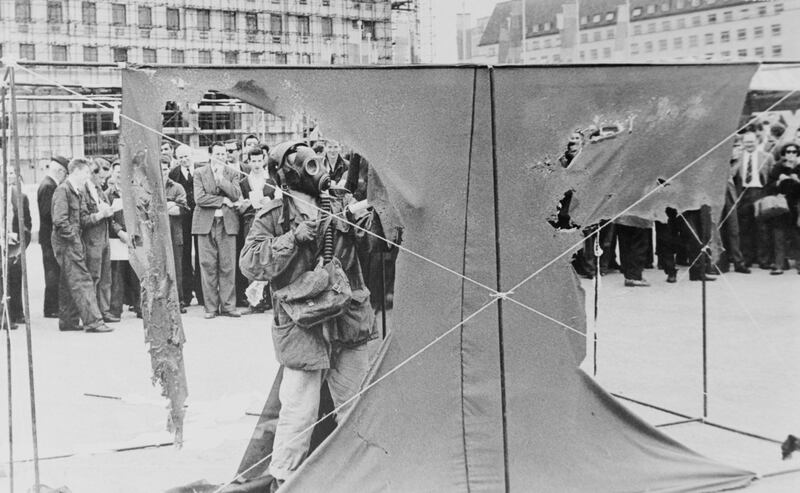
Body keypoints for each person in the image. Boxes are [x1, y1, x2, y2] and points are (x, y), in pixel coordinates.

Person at [240, 141, 379, 488]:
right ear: (284, 176)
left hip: (346, 321)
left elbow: (375, 250)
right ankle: (284, 482)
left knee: (356, 408)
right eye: (300, 163)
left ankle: (363, 481)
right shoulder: (273, 216)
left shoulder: (341, 203)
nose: (310, 168)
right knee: (298, 415)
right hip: (303, 328)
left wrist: (365, 229)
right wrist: (291, 239)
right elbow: (251, 263)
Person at [51, 157, 111, 332]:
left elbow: (83, 219)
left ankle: (67, 321)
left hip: (72, 242)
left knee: (69, 280)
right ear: (76, 171)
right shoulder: (63, 190)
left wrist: (99, 215)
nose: (88, 176)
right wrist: (75, 239)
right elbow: (60, 221)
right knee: (82, 280)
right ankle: (94, 322)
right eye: (86, 172)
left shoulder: (77, 191)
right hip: (67, 243)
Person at [192, 142, 242, 319]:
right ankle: (211, 307)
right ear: (211, 155)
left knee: (228, 266)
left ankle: (229, 306)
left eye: (224, 154)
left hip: (227, 224)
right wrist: (222, 201)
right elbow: (199, 198)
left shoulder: (232, 173)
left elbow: (236, 194)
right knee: (208, 266)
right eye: (218, 154)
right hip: (205, 224)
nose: (221, 157)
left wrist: (221, 181)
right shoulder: (199, 173)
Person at [237, 147, 277, 311]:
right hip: (251, 224)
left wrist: (270, 202)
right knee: (252, 257)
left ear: (264, 160)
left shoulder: (272, 181)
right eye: (253, 161)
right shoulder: (244, 182)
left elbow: (279, 203)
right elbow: (239, 207)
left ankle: (268, 298)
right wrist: (245, 204)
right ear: (249, 162)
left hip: (268, 224)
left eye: (259, 160)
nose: (257, 164)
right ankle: (254, 301)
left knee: (268, 257)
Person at [82, 158, 117, 323]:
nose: (103, 182)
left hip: (104, 237)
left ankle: (104, 310)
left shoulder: (99, 190)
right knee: (93, 276)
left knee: (105, 277)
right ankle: (93, 314)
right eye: (101, 178)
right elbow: (83, 218)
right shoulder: (83, 190)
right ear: (92, 174)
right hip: (91, 239)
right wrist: (101, 214)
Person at [105, 160, 140, 319]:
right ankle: (115, 310)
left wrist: (134, 232)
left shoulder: (135, 192)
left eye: (123, 172)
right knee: (116, 275)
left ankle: (140, 307)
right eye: (117, 173)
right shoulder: (107, 194)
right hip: (116, 240)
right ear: (113, 174)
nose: (120, 176)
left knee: (137, 274)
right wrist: (120, 232)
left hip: (134, 238)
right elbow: (109, 219)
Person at [735, 131, 774, 269]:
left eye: (751, 142)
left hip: (760, 192)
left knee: (762, 228)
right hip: (743, 194)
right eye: (746, 142)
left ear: (756, 142)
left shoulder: (767, 157)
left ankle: (764, 260)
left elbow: (771, 176)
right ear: (743, 143)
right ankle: (747, 258)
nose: (749, 145)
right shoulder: (738, 157)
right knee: (745, 228)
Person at [169, 144, 201, 308]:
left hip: (201, 217)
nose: (184, 160)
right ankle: (186, 294)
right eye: (180, 157)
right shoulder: (173, 174)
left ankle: (202, 295)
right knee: (185, 256)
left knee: (202, 254)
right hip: (183, 220)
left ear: (192, 155)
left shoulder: (202, 170)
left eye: (186, 156)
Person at [37, 155, 69, 317]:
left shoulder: (48, 184)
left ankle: (52, 307)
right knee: (52, 272)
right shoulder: (49, 186)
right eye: (65, 173)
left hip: (48, 236)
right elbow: (46, 212)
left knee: (53, 271)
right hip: (49, 236)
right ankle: (51, 308)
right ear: (60, 171)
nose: (65, 177)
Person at [764, 142, 800, 275]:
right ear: (784, 154)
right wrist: (778, 182)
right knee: (778, 235)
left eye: (794, 151)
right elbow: (768, 186)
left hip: (796, 206)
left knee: (797, 235)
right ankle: (779, 264)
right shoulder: (778, 167)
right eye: (788, 151)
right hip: (780, 205)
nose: (791, 154)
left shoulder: (799, 167)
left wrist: (796, 180)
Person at [3, 167, 32, 329]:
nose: (10, 176)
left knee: (15, 278)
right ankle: (5, 315)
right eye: (6, 173)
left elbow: (27, 223)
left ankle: (17, 312)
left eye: (12, 173)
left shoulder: (21, 197)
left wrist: (22, 240)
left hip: (15, 246)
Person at [717, 136, 750, 274]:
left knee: (733, 229)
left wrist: (738, 158)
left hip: (730, 193)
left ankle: (738, 261)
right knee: (718, 229)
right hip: (716, 193)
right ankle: (720, 262)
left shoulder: (737, 157)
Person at [161, 156, 189, 311]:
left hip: (174, 233)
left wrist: (162, 207)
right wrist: (169, 205)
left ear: (169, 169)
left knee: (176, 268)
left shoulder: (177, 188)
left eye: (165, 169)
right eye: (160, 169)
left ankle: (178, 301)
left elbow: (181, 210)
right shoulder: (149, 187)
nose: (163, 172)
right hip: (156, 236)